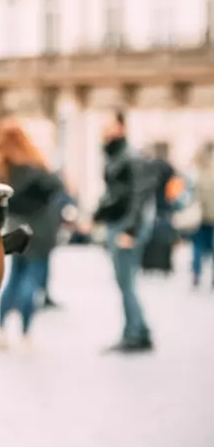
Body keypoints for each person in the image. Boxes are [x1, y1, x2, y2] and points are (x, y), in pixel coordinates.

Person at [0, 120, 67, 348]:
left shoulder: (3, 169)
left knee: (14, 278)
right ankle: (25, 333)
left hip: (15, 227)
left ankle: (2, 330)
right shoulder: (36, 165)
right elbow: (57, 186)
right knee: (31, 281)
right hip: (40, 228)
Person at [92, 110, 157, 352]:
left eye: (109, 125)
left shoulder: (129, 156)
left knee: (126, 281)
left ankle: (134, 333)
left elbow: (139, 195)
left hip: (125, 225)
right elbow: (115, 193)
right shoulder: (115, 154)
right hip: (118, 222)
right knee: (125, 281)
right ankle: (140, 329)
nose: (105, 130)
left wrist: (131, 229)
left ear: (121, 127)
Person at [141, 142, 177, 275]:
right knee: (165, 236)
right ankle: (164, 265)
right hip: (165, 208)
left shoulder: (149, 169)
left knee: (150, 235)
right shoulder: (168, 171)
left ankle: (149, 264)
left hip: (153, 207)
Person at [192, 143, 214, 289]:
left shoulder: (198, 173)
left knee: (198, 248)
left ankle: (197, 275)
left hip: (200, 217)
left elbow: (195, 196)